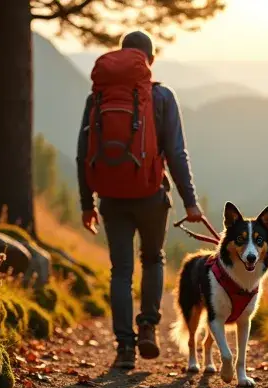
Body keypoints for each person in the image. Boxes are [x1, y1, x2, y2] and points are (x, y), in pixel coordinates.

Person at [76, 30, 203, 369]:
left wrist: (86, 204)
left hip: (111, 197)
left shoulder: (98, 97)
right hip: (150, 195)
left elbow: (82, 154)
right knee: (153, 259)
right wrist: (190, 202)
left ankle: (124, 348)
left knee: (121, 271)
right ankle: (147, 326)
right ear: (150, 59)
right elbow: (176, 153)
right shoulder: (161, 97)